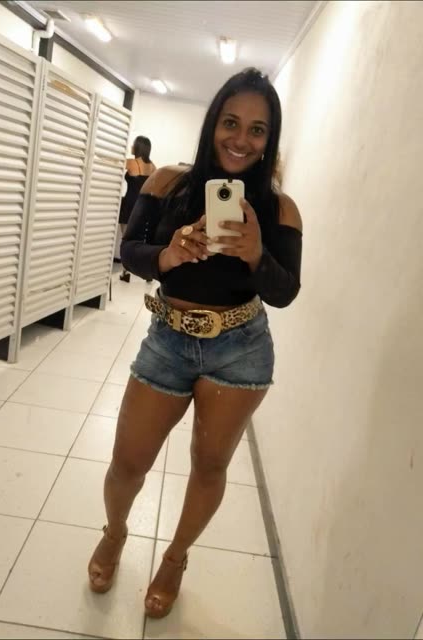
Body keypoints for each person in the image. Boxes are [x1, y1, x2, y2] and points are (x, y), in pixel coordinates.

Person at [88, 68, 303, 619]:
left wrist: (256, 254)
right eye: (231, 122)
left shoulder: (280, 210)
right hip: (168, 339)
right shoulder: (167, 183)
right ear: (213, 124)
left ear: (269, 139)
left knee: (210, 466)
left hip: (240, 348)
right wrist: (168, 254)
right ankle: (115, 531)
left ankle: (175, 558)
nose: (241, 139)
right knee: (127, 463)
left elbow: (285, 292)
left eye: (257, 129)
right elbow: (130, 249)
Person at [118, 135, 156, 282]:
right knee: (141, 240)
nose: (131, 147)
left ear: (138, 147)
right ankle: (147, 274)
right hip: (143, 205)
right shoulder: (152, 167)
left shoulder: (131, 163)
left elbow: (112, 162)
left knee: (126, 239)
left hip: (129, 204)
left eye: (133, 144)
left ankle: (125, 272)